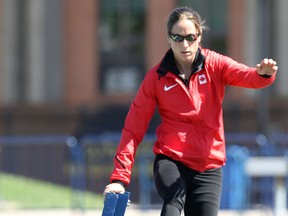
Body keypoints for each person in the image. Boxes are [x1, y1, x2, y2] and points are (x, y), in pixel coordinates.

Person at [103, 6, 278, 216]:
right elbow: (133, 128)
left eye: (190, 37)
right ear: (169, 38)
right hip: (171, 159)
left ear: (199, 36)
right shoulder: (156, 78)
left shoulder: (215, 64)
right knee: (174, 201)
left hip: (208, 166)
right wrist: (118, 179)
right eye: (177, 38)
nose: (184, 44)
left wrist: (263, 75)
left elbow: (247, 76)